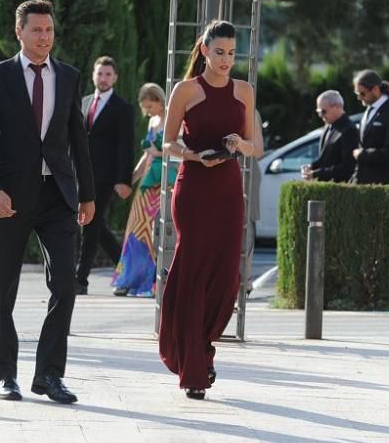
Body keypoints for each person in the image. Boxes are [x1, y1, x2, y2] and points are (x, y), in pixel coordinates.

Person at [0, 0, 95, 403]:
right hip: (11, 197)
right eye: (36, 30)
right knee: (2, 287)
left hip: (57, 195)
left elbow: (78, 140)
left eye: (49, 30)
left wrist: (87, 195)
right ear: (19, 32)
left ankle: (50, 376)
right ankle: (6, 373)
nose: (44, 37)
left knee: (65, 284)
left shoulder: (69, 77)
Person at [158, 20, 256, 400]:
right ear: (204, 50)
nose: (226, 60)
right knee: (193, 271)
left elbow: (253, 145)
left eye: (232, 53)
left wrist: (238, 144)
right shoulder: (185, 90)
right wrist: (195, 154)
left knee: (226, 276)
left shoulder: (244, 91)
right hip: (194, 188)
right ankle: (196, 363)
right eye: (219, 52)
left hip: (229, 191)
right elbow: (167, 144)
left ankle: (202, 345)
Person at [111, 83, 177, 298]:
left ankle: (153, 280)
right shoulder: (152, 121)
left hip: (165, 181)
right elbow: (146, 155)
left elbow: (171, 151)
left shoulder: (171, 120)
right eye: (145, 107)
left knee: (155, 231)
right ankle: (129, 279)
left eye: (150, 106)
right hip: (147, 182)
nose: (147, 111)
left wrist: (153, 151)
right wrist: (131, 178)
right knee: (135, 229)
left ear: (159, 101)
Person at [76, 56, 134, 295]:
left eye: (108, 74)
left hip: (106, 177)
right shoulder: (84, 102)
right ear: (93, 75)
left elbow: (125, 146)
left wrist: (123, 180)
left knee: (90, 225)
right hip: (81, 173)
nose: (103, 78)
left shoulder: (122, 108)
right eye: (100, 73)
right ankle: (129, 269)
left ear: (115, 78)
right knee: (96, 225)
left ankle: (80, 280)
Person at [351, 70, 389, 185]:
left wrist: (363, 154)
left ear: (375, 89)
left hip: (384, 184)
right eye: (357, 94)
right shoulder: (369, 110)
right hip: (363, 182)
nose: (359, 98)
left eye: (362, 93)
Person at [302, 90, 358, 183]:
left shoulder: (349, 129)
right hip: (326, 186)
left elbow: (347, 167)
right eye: (318, 112)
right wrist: (312, 166)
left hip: (340, 188)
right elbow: (326, 159)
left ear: (337, 107)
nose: (321, 116)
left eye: (323, 111)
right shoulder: (328, 126)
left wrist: (316, 173)